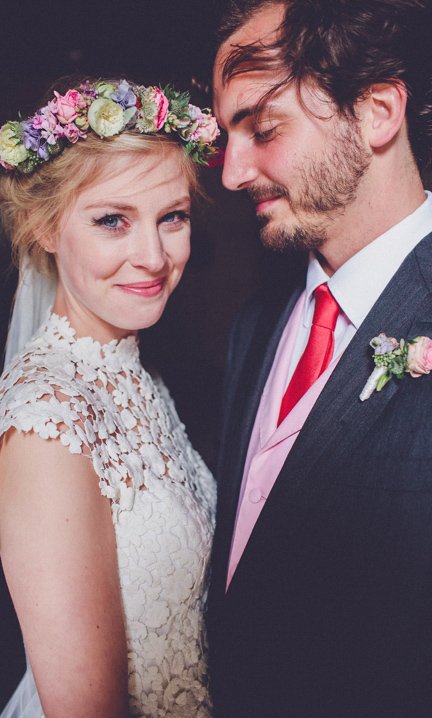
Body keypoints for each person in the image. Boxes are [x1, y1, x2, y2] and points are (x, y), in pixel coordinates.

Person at [206, 1, 432, 715]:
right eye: (226, 137)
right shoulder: (255, 326)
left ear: (375, 112)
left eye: (263, 128)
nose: (233, 173)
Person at [0, 77, 221, 718]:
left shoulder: (135, 372)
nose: (153, 256)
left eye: (173, 218)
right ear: (44, 228)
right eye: (113, 220)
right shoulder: (45, 424)